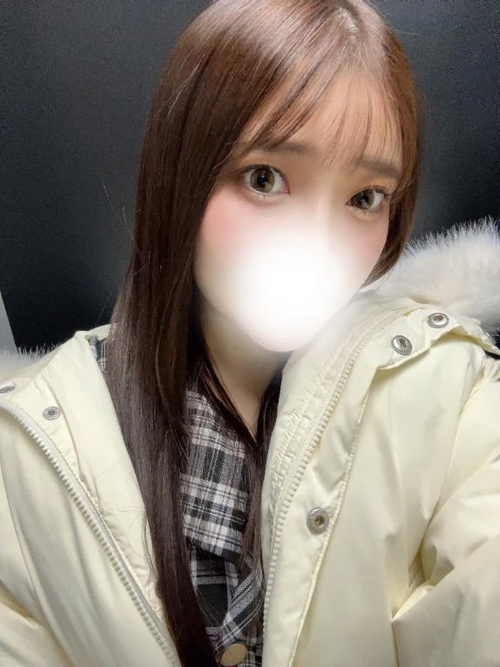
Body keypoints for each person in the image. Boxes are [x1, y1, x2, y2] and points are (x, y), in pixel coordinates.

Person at [0, 1, 499, 665]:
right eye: (265, 178)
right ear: (180, 173)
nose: (318, 241)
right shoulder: (28, 455)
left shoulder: (448, 388)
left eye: (365, 197)